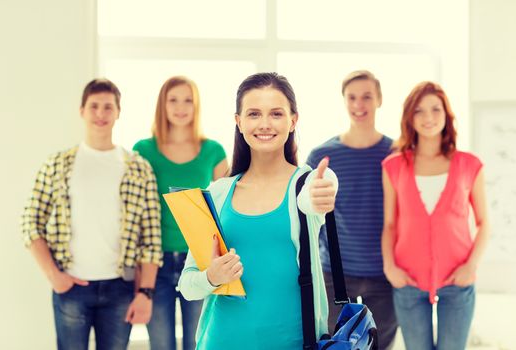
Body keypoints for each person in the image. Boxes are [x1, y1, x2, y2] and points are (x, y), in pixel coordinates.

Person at [178, 72, 338, 349]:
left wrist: (322, 193)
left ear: (293, 121)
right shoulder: (217, 192)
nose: (265, 124)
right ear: (239, 122)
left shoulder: (307, 184)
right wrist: (212, 277)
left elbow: (318, 193)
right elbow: (188, 285)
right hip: (221, 341)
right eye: (253, 114)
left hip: (293, 342)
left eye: (276, 113)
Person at [21, 79, 162, 350]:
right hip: (71, 287)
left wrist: (145, 293)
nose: (100, 114)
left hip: (120, 288)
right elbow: (30, 221)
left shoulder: (138, 167)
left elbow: (151, 238)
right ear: (82, 110)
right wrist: (53, 275)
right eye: (94, 106)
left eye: (108, 107)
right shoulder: (58, 164)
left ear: (118, 112)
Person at [381, 81, 489, 349]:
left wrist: (471, 265)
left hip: (458, 279)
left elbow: (484, 222)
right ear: (409, 117)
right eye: (419, 111)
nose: (428, 118)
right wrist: (390, 267)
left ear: (447, 114)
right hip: (408, 279)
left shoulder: (469, 164)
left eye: (435, 109)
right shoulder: (393, 166)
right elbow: (390, 224)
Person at [133, 76, 228, 350]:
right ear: (162, 105)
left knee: (198, 343)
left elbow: (226, 206)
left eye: (188, 100)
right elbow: (136, 212)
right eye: (173, 100)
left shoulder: (213, 150)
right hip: (156, 264)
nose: (180, 107)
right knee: (161, 344)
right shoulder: (143, 150)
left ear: (196, 105)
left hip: (198, 260)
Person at [306, 70, 397, 349]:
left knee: (379, 345)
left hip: (384, 275)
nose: (359, 104)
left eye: (367, 96)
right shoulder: (321, 156)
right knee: (334, 345)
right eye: (352, 97)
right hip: (335, 275)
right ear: (344, 101)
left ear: (379, 100)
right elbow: (309, 217)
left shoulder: (396, 153)